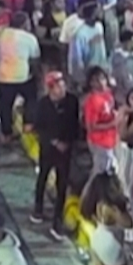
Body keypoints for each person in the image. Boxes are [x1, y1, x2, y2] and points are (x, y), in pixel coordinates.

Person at [31, 71, 80, 239]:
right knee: (43, 176)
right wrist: (54, 141)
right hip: (49, 148)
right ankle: (38, 207)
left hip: (66, 149)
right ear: (50, 89)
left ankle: (57, 219)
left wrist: (68, 142)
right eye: (57, 86)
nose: (61, 89)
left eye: (62, 85)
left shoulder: (72, 101)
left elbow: (74, 123)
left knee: (62, 183)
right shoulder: (43, 105)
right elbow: (39, 127)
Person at [0, 12, 41, 147]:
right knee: (31, 99)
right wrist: (36, 75)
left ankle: (6, 133)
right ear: (24, 24)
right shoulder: (29, 38)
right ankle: (28, 125)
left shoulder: (0, 34)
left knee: (5, 105)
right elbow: (35, 60)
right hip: (23, 76)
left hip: (3, 75)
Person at [83, 66, 119, 176]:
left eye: (102, 78)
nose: (101, 83)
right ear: (91, 83)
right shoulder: (92, 101)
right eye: (96, 80)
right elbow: (90, 127)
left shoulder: (108, 95)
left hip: (111, 139)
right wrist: (111, 124)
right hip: (99, 142)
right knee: (99, 174)